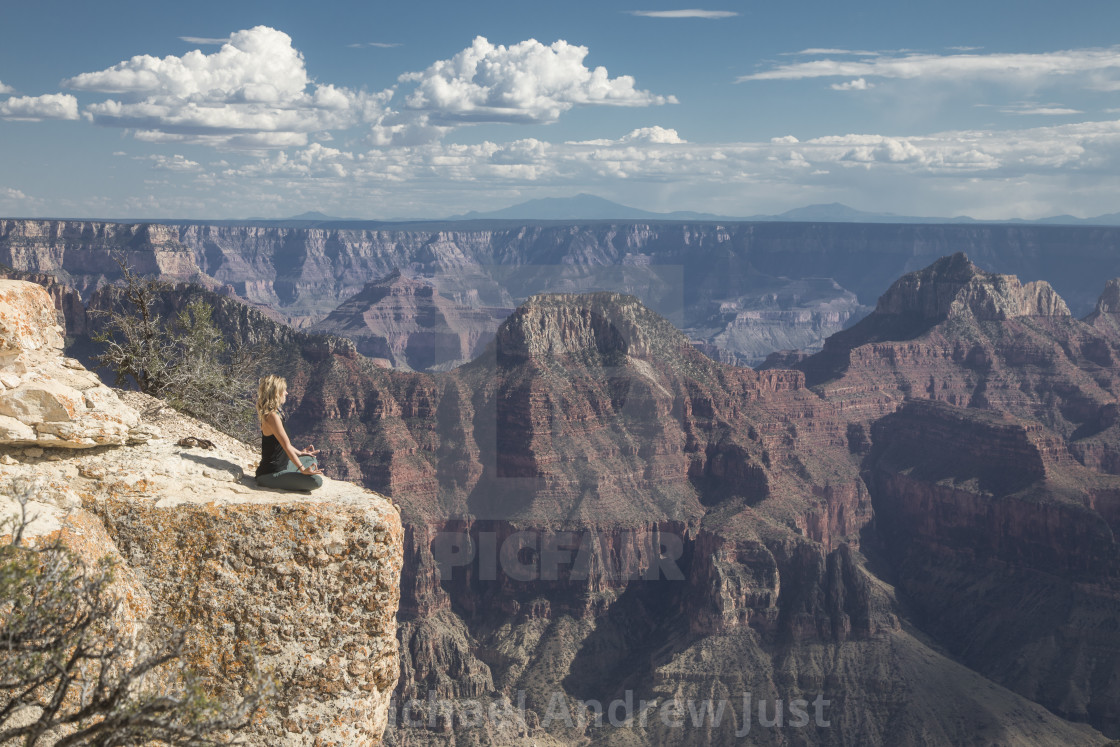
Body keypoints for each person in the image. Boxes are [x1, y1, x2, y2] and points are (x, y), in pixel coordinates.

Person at [254, 375, 323, 491]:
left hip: (283, 464)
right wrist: (302, 469)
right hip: (270, 474)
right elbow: (286, 446)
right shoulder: (272, 417)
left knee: (311, 459)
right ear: (276, 393)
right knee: (316, 481)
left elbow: (285, 445)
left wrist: (300, 453)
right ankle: (293, 474)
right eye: (284, 390)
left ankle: (295, 471)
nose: (287, 393)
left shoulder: (277, 412)